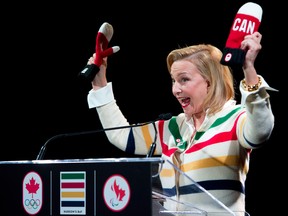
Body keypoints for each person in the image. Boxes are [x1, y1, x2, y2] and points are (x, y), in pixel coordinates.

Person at [85, 32, 277, 215]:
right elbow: (121, 135)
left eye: (184, 80)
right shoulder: (173, 127)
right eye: (173, 81)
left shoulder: (234, 119)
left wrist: (248, 69)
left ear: (210, 82)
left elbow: (261, 131)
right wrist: (100, 85)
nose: (176, 89)